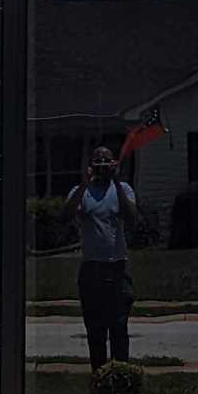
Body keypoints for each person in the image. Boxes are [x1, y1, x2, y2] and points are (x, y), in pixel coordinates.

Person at [62, 145, 144, 371]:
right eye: (98, 162)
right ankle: (99, 377)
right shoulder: (82, 191)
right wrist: (84, 183)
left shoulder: (123, 189)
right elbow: (66, 215)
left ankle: (120, 376)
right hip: (91, 268)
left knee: (119, 327)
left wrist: (116, 181)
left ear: (113, 164)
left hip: (117, 267)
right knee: (95, 330)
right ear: (90, 165)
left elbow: (132, 218)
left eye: (106, 161)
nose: (102, 166)